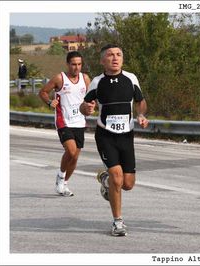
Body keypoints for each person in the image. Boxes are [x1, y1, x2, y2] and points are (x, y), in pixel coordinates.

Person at [80, 44, 149, 237]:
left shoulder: (131, 78)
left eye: (119, 54)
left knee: (127, 184)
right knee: (117, 178)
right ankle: (118, 222)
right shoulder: (97, 82)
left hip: (126, 136)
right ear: (103, 60)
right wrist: (86, 109)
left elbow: (140, 101)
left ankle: (106, 181)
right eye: (110, 55)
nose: (115, 58)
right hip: (106, 136)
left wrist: (141, 114)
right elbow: (84, 105)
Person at [38, 51, 90, 197]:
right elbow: (43, 92)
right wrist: (50, 102)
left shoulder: (85, 78)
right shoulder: (59, 78)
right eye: (73, 64)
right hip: (63, 121)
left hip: (79, 121)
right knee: (71, 151)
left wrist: (91, 106)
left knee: (75, 157)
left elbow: (92, 97)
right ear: (68, 64)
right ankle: (60, 176)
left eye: (79, 64)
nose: (77, 67)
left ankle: (64, 183)